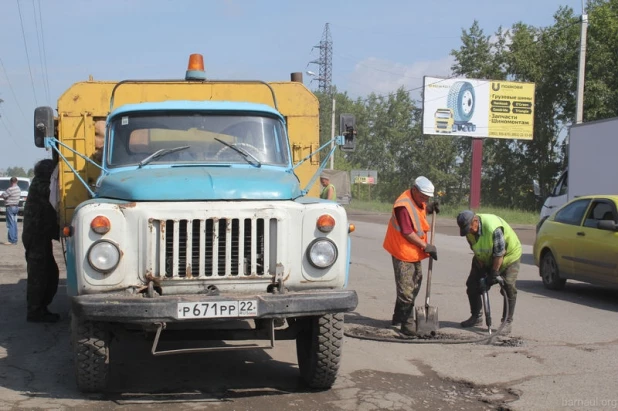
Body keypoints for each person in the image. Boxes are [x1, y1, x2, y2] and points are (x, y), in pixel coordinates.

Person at [383, 176, 439, 336]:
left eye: (427, 198)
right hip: (402, 249)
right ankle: (407, 325)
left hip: (412, 250)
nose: (425, 200)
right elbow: (407, 232)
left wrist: (428, 208)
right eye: (423, 197)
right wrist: (426, 246)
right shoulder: (402, 205)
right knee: (406, 289)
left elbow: (417, 212)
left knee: (415, 283)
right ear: (414, 190)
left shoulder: (415, 199)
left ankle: (398, 316)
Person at [456, 210, 522, 334]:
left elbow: (499, 254)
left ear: (475, 221)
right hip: (485, 256)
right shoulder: (469, 231)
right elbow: (475, 247)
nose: (468, 232)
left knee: (508, 287)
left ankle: (507, 322)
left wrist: (493, 274)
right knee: (472, 284)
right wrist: (482, 269)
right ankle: (476, 316)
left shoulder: (493, 228)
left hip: (508, 257)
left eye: (469, 228)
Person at [23, 159, 60, 323]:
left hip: (39, 235)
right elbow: (55, 194)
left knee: (49, 273)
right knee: (39, 274)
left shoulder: (41, 183)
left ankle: (40, 307)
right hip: (36, 236)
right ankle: (35, 311)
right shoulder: (41, 184)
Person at [2, 177, 21, 245]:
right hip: (16, 206)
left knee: (10, 224)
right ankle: (15, 239)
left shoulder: (10, 189)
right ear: (17, 181)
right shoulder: (18, 188)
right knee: (14, 223)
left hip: (10, 207)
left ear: (10, 182)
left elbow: (3, 195)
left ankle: (11, 240)